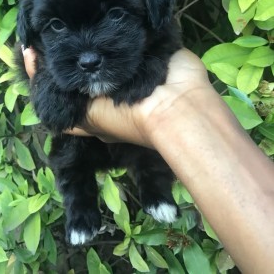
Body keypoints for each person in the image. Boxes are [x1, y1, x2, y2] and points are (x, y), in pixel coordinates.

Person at [23, 47, 274, 273]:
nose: (88, 54)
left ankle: (155, 190)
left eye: (116, 14)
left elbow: (164, 44)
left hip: (136, 129)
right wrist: (46, 84)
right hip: (83, 141)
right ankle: (80, 207)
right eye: (56, 25)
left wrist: (165, 100)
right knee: (70, 152)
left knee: (145, 149)